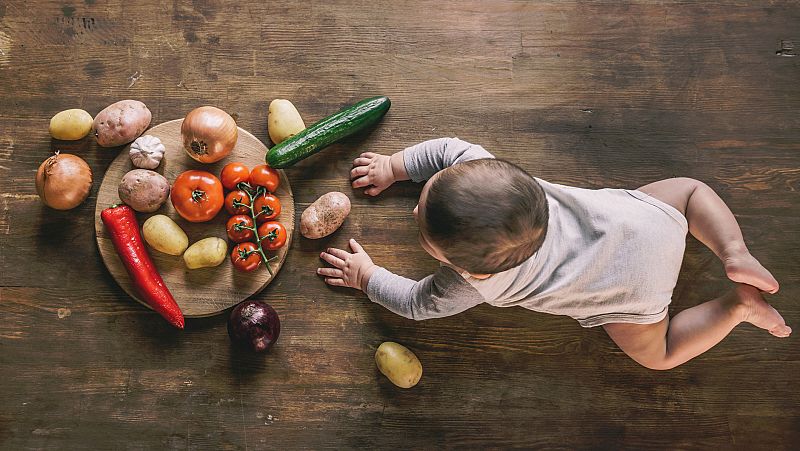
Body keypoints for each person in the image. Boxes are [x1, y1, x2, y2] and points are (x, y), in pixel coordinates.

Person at [315, 138, 791, 370]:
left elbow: (418, 303)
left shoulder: (474, 283)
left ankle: (737, 306)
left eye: (421, 225)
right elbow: (447, 150)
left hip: (633, 296)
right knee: (688, 193)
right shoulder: (481, 168)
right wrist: (396, 166)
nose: (417, 205)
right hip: (647, 227)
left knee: (660, 354)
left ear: (460, 269)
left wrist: (367, 276)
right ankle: (734, 250)